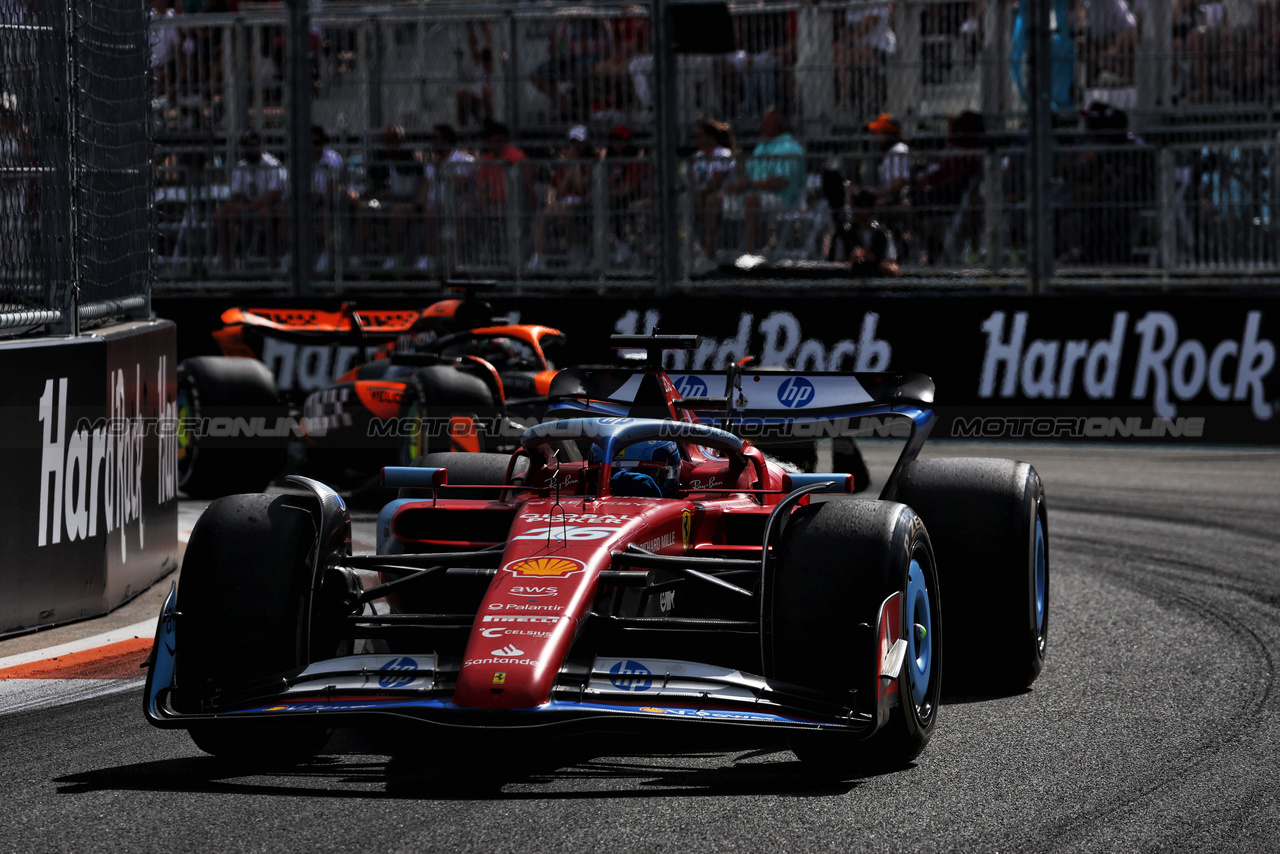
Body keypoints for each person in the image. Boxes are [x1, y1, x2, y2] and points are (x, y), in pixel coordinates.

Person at [725, 108, 806, 257]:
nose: (763, 127)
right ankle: (710, 254)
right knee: (714, 201)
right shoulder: (762, 147)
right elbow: (749, 175)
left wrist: (750, 185)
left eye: (767, 123)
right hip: (755, 193)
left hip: (783, 198)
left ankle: (750, 254)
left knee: (752, 200)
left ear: (778, 126)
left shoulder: (790, 147)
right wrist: (736, 185)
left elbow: (780, 182)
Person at [214, 129, 288, 270]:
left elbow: (273, 196)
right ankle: (226, 262)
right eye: (246, 146)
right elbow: (237, 195)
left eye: (252, 146)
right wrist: (238, 206)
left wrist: (249, 207)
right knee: (220, 214)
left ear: (260, 146)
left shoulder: (272, 165)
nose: (249, 150)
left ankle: (272, 262)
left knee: (265, 212)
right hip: (250, 208)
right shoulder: (240, 167)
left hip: (274, 208)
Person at [529, 124, 596, 272]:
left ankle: (577, 255)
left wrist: (576, 166)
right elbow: (560, 190)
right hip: (565, 203)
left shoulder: (591, 165)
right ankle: (538, 258)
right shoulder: (563, 166)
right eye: (572, 145)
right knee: (541, 217)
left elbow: (580, 187)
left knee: (567, 213)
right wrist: (568, 170)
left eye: (578, 145)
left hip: (584, 205)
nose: (574, 149)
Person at [358, 124, 422, 270]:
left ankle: (396, 256)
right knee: (364, 209)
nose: (390, 143)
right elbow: (373, 186)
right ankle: (362, 257)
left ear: (402, 140)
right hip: (381, 201)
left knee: (396, 213)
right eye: (387, 139)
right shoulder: (378, 158)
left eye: (394, 139)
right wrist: (372, 196)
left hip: (405, 202)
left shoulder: (411, 159)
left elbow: (417, 185)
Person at [530, 7, 612, 120]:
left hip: (591, 59)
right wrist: (562, 50)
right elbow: (558, 45)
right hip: (567, 60)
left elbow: (604, 45)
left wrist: (572, 47)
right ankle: (569, 111)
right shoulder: (564, 17)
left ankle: (585, 111)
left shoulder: (595, 16)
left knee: (580, 70)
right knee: (535, 75)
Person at [417, 123, 475, 271]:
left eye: (436, 138)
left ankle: (450, 258)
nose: (433, 142)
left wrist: (442, 171)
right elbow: (426, 186)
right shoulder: (431, 163)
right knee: (424, 209)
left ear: (447, 139)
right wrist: (418, 203)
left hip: (457, 204)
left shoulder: (463, 160)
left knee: (433, 211)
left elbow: (459, 184)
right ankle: (426, 257)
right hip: (434, 204)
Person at [689, 117, 737, 267]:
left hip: (726, 197)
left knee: (709, 200)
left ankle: (709, 253)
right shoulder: (697, 157)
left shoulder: (723, 154)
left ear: (711, 137)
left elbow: (715, 183)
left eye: (700, 136)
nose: (697, 140)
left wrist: (698, 194)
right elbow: (692, 182)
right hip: (702, 197)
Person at [866, 112, 913, 261]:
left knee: (867, 207)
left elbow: (898, 183)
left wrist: (875, 193)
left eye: (878, 133)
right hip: (887, 196)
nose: (875, 137)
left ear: (888, 134)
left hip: (895, 199)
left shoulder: (899, 150)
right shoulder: (889, 152)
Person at [847, 189, 900, 277]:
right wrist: (851, 262)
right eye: (854, 206)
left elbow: (894, 270)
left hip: (877, 286)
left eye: (861, 207)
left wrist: (873, 260)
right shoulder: (845, 233)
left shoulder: (883, 234)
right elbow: (837, 265)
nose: (856, 211)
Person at [456, 21, 495, 130]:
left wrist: (485, 24)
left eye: (489, 61)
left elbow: (489, 42)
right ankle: (463, 128)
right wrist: (470, 27)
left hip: (487, 102)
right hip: (476, 101)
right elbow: (474, 47)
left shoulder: (495, 69)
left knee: (486, 91)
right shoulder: (480, 68)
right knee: (462, 92)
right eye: (486, 62)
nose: (487, 64)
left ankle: (490, 124)